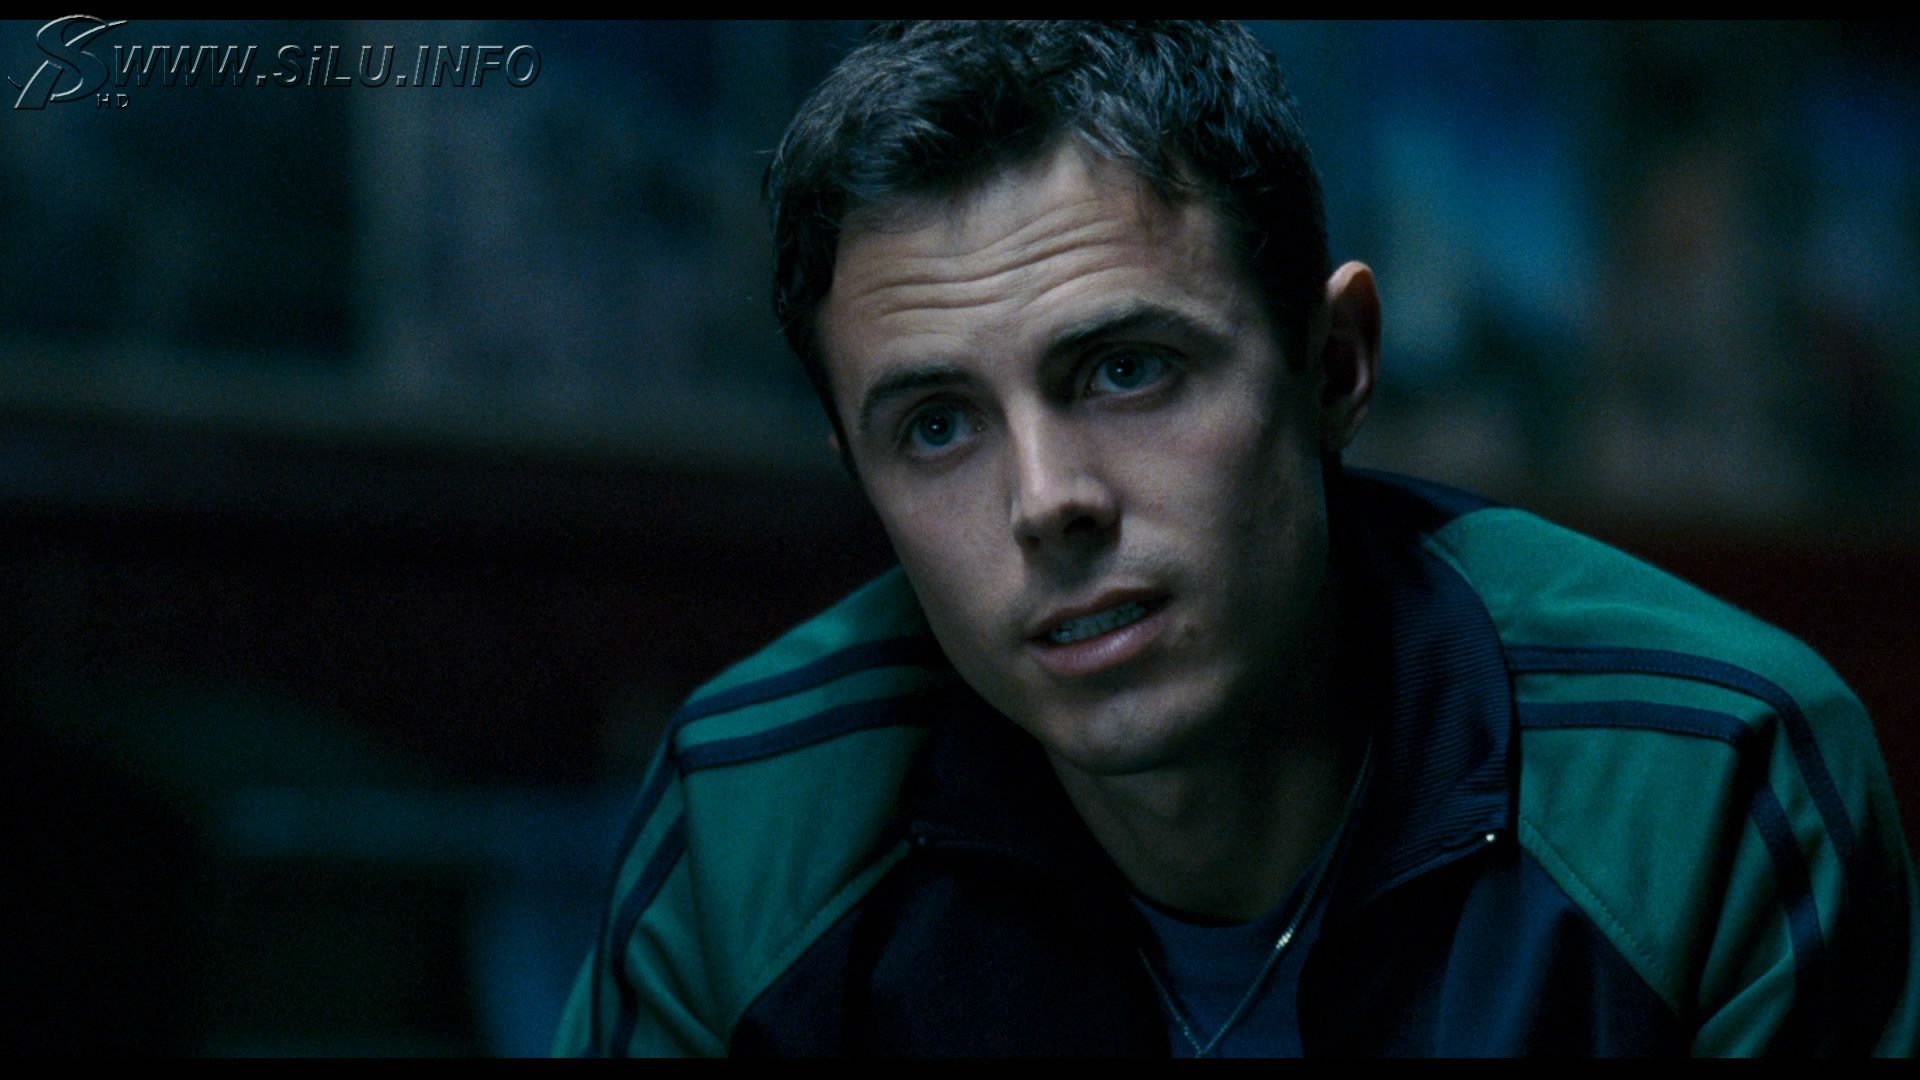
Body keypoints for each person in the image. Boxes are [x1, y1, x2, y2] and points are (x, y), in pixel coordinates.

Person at [554, 21, 1920, 1056]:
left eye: (1126, 370)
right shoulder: (750, 824)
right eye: (936, 427)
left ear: (1335, 366)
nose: (1047, 501)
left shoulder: (1709, 783)